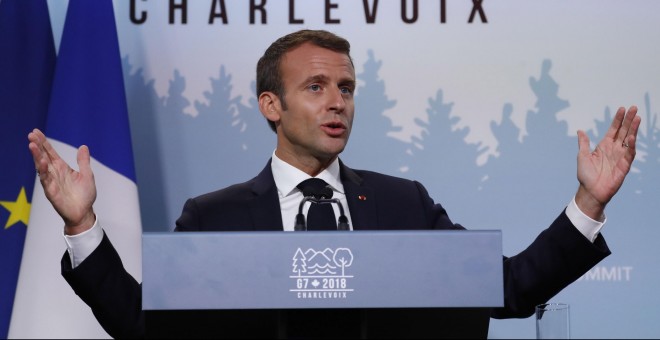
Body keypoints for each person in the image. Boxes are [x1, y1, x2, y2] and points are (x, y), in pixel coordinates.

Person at [28, 30, 640, 338]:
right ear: (271, 104)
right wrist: (81, 224)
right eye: (315, 87)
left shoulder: (405, 203)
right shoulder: (213, 217)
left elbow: (507, 288)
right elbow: (144, 326)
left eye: (346, 88)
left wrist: (588, 203)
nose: (337, 103)